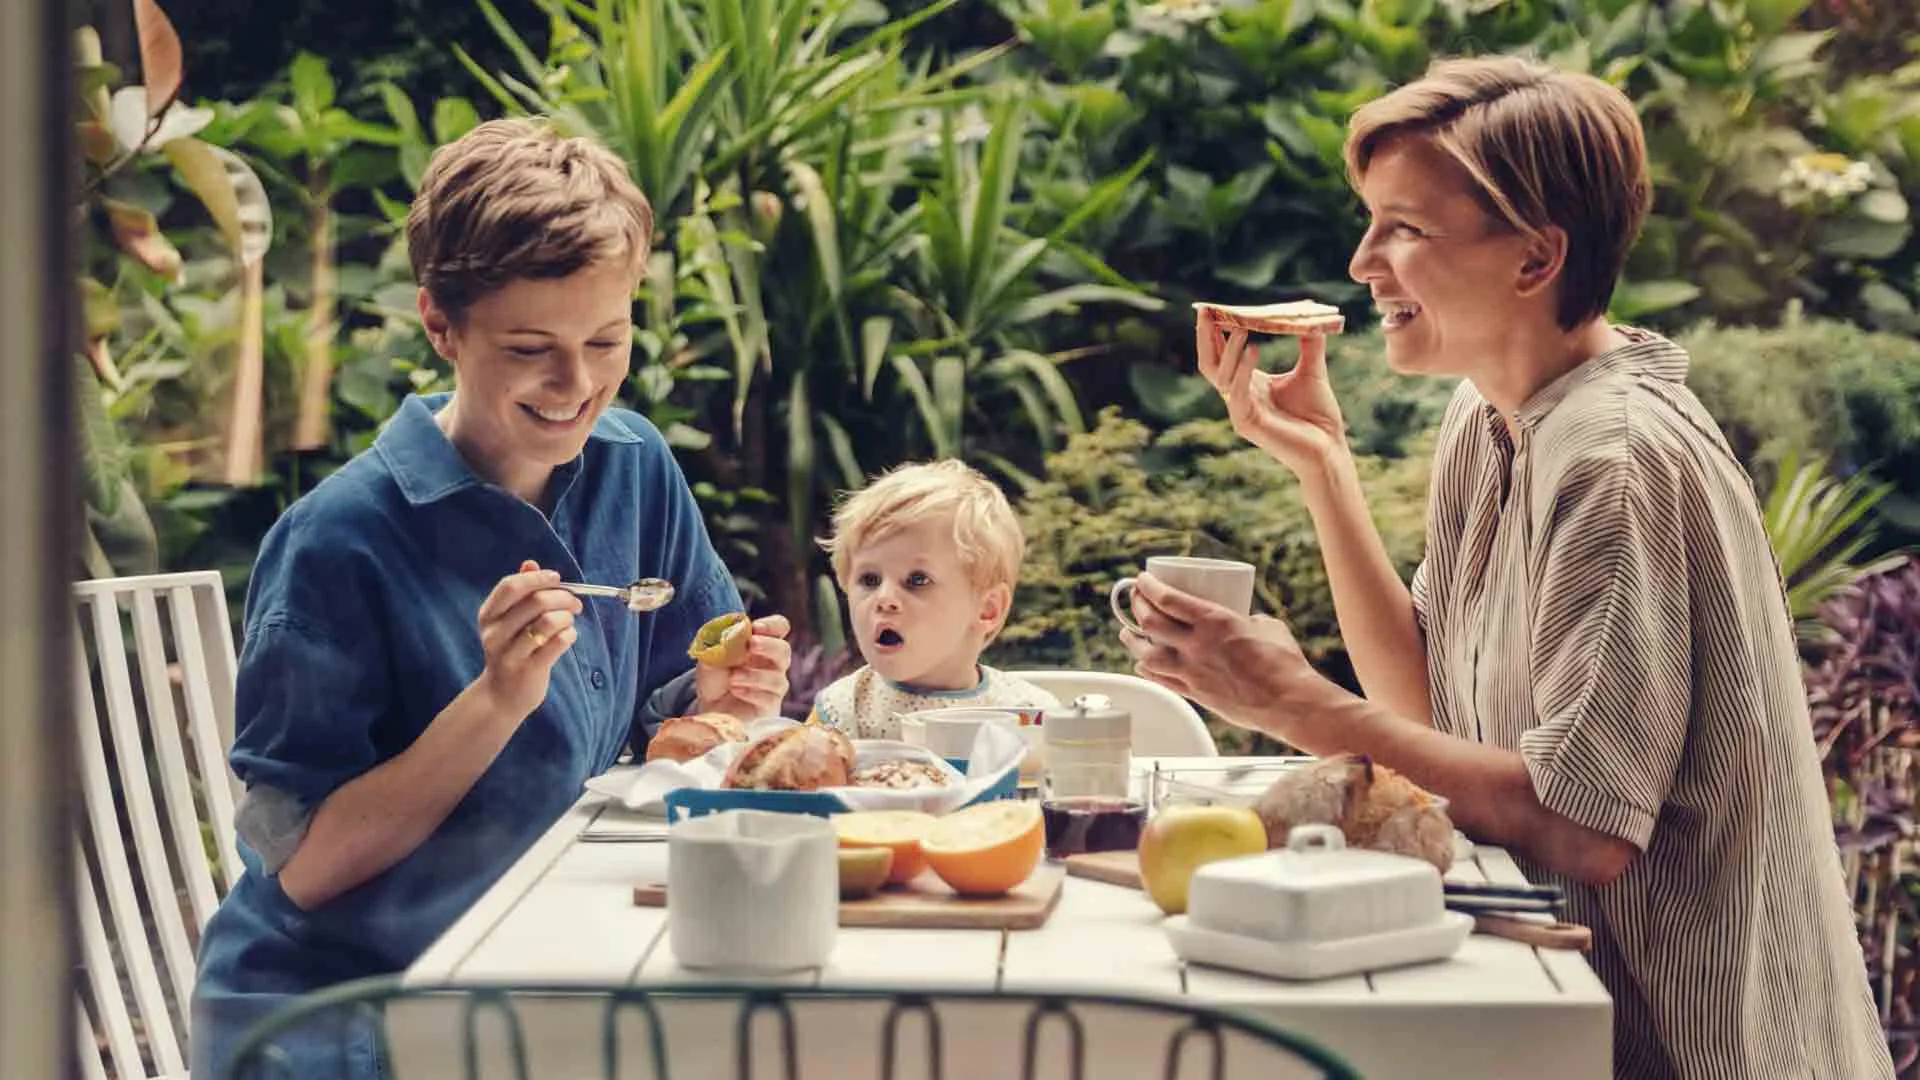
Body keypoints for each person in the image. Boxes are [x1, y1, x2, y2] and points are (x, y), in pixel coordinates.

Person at [1120, 57, 1894, 1080]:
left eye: (1405, 228)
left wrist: (1297, 704)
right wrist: (1322, 465)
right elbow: (1435, 712)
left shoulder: (1615, 461)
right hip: (1560, 1018)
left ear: (1535, 260)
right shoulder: (1492, 414)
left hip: (1697, 1051)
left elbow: (1579, 830)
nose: (1362, 263)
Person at [190, 118, 793, 1078]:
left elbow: (678, 706)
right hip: (346, 1013)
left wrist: (721, 703)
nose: (578, 382)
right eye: (529, 348)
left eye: (608, 338)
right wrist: (496, 700)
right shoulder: (337, 541)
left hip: (538, 972)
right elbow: (304, 869)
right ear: (440, 326)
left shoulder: (634, 467)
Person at [811, 459, 1057, 738]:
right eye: (870, 580)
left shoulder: (1031, 716)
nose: (885, 599)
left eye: (917, 580)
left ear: (987, 609)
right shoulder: (839, 712)